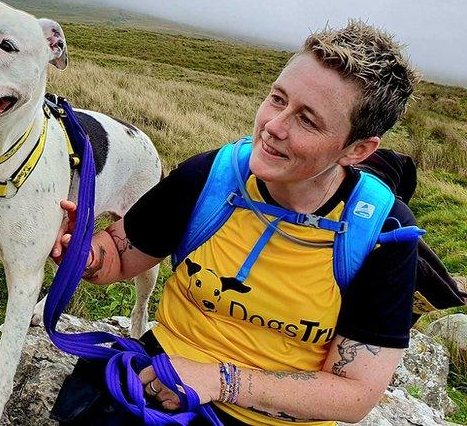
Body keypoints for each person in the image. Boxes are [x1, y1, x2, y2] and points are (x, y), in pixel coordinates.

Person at [51, 21, 425, 425]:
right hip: (156, 385)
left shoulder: (382, 233)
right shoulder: (212, 178)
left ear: (357, 149)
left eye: (308, 121)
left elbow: (354, 395)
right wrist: (83, 254)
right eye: (278, 99)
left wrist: (220, 381)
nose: (274, 126)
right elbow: (119, 259)